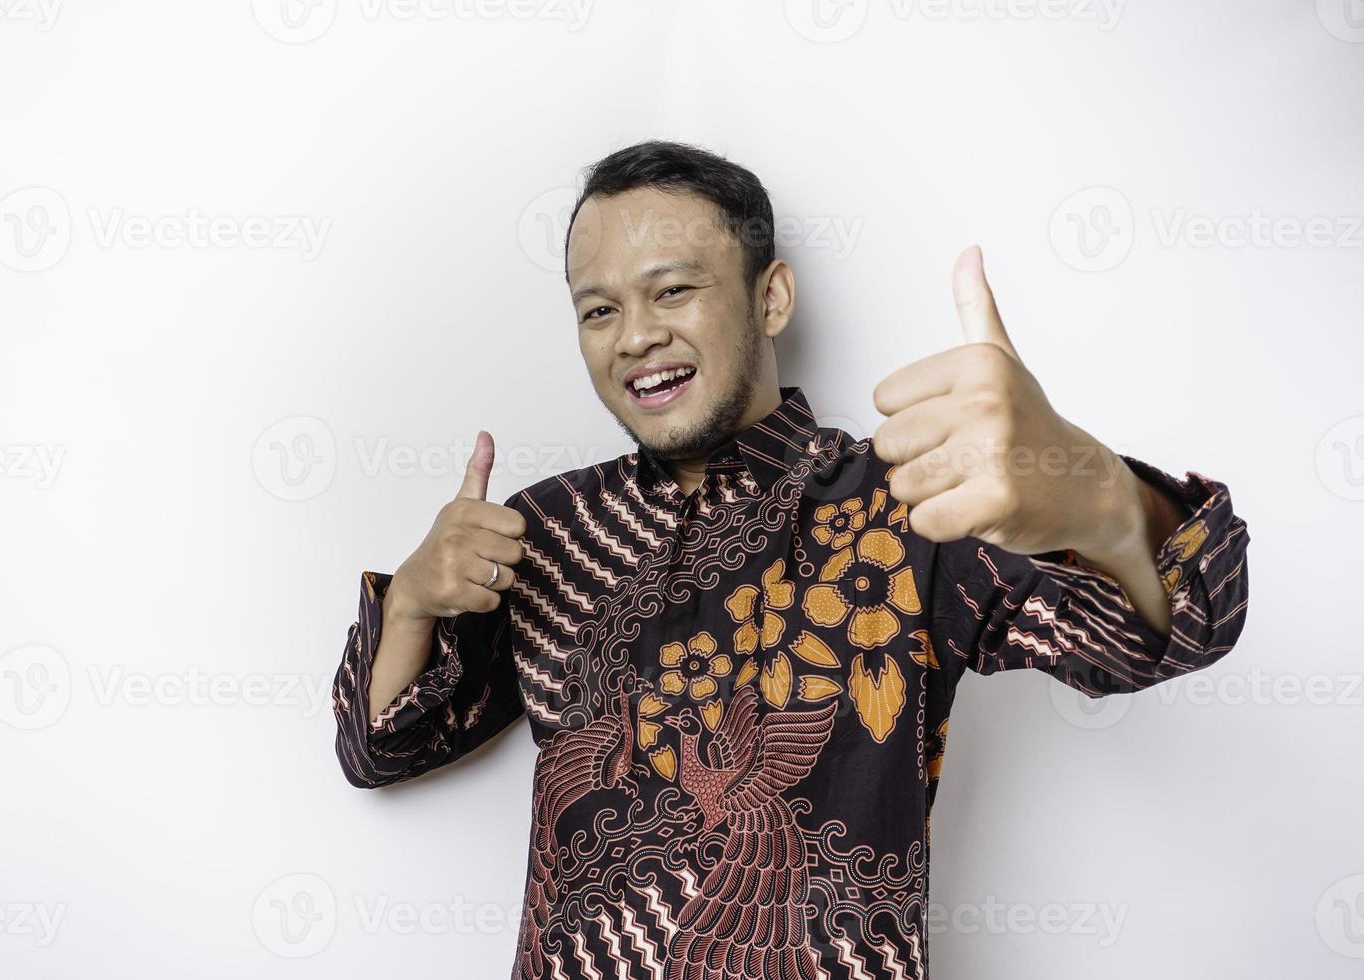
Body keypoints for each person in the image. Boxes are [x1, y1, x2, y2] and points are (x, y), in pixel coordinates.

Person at [331, 140, 1250, 979]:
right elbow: (381, 745)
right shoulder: (551, 530)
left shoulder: (909, 504)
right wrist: (411, 600)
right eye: (599, 309)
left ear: (770, 297)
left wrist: (1102, 499)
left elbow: (1164, 636)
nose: (635, 335)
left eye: (673, 290)